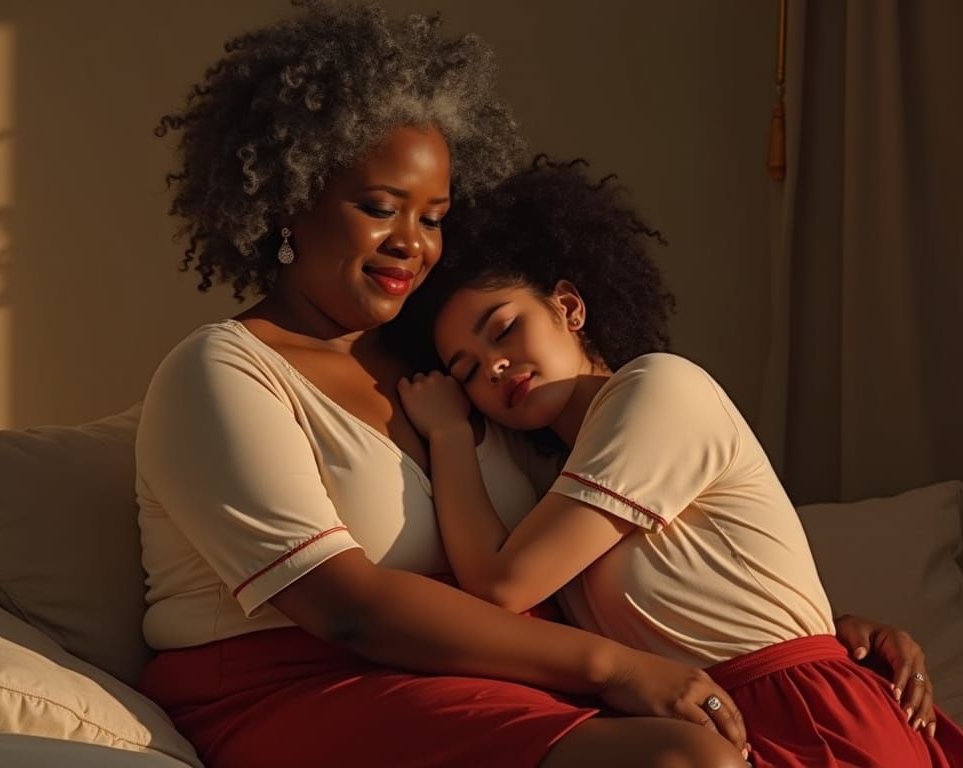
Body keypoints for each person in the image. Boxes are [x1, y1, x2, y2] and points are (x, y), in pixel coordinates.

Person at [135, 3, 937, 766]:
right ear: (290, 201)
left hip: (492, 679)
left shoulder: (451, 381)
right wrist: (616, 669)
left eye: (433, 217)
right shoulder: (224, 371)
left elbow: (628, 551)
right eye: (380, 207)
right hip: (301, 686)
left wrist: (819, 637)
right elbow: (345, 609)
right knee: (689, 758)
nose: (411, 243)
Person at [395, 157, 963, 767]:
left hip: (807, 718)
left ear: (569, 307)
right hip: (713, 726)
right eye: (468, 370)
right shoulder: (552, 480)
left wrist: (449, 435)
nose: (495, 366)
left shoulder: (657, 389)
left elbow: (503, 585)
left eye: (504, 329)